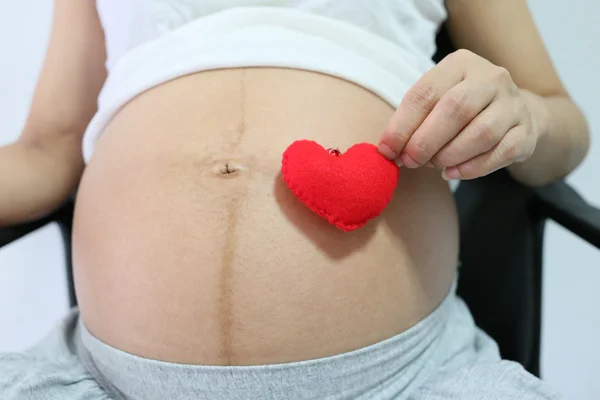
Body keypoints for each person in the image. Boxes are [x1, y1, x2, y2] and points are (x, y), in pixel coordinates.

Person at [0, 1, 589, 399]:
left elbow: (564, 123)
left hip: (409, 380)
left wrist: (527, 116)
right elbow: (49, 147)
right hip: (103, 380)